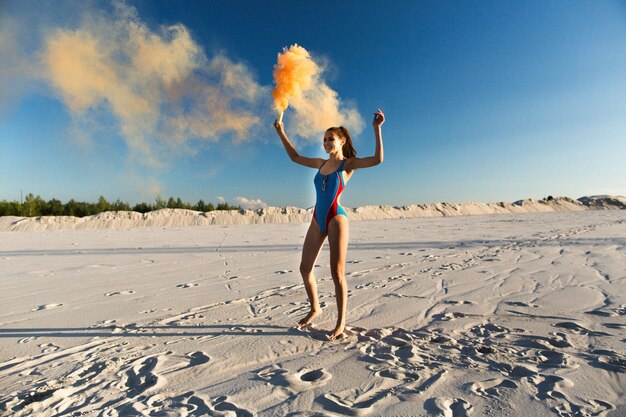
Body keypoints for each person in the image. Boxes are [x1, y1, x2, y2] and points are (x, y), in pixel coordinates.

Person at [273, 109, 385, 340]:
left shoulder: (347, 165)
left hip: (336, 218)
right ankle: (315, 308)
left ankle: (341, 322)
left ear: (341, 141)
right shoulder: (320, 163)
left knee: (337, 273)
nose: (325, 143)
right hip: (317, 218)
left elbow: (377, 159)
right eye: (324, 139)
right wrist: (280, 131)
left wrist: (377, 129)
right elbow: (294, 157)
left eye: (330, 139)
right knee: (305, 268)